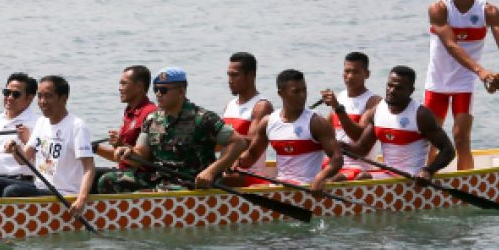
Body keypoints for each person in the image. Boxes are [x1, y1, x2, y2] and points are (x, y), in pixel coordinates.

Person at [426, 0, 499, 170]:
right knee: (430, 139)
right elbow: (451, 45)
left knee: (461, 138)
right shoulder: (439, 9)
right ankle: (426, 179)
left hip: (464, 82)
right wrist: (482, 71)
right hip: (437, 81)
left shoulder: (488, 12)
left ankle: (465, 184)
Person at [101, 67, 247, 192]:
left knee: (164, 191)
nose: (158, 94)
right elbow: (141, 154)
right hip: (158, 179)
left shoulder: (203, 118)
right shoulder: (152, 119)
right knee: (107, 180)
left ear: (181, 91)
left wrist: (211, 171)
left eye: (163, 90)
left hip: (189, 182)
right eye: (156, 89)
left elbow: (238, 143)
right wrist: (128, 151)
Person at [0, 76, 96, 218]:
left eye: (48, 97)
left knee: (12, 192)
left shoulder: (77, 126)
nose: (42, 102)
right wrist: (15, 149)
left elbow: (89, 167)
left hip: (64, 193)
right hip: (40, 186)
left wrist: (81, 200)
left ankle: (9, 225)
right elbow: (24, 159)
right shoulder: (42, 123)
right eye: (40, 97)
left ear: (63, 99)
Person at [344, 65, 455, 182]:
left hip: (412, 178)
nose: (391, 91)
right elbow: (362, 148)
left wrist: (428, 171)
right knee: (341, 177)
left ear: (411, 91)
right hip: (386, 173)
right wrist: (342, 146)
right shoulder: (378, 111)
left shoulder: (421, 115)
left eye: (398, 88)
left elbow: (448, 150)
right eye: (389, 85)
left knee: (363, 177)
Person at [257, 70, 343, 193]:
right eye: (296, 91)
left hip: (309, 187)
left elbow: (337, 158)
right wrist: (235, 163)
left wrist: (321, 177)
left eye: (304, 90)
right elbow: (252, 154)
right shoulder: (268, 121)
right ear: (281, 94)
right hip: (282, 184)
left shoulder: (317, 122)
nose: (302, 95)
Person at [316, 51, 381, 181]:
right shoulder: (341, 96)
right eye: (347, 71)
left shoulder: (374, 101)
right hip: (333, 163)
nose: (350, 76)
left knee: (328, 179)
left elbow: (358, 137)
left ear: (367, 74)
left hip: (357, 167)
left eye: (355, 72)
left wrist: (338, 109)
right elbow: (325, 131)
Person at [92, 65, 156, 192]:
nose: (119, 88)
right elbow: (118, 156)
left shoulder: (150, 113)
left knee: (107, 180)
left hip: (145, 175)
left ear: (139, 86)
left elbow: (141, 160)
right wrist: (93, 148)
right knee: (87, 174)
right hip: (127, 170)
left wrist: (122, 145)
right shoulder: (129, 112)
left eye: (124, 83)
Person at [221, 51, 274, 185]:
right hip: (229, 170)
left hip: (249, 175)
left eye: (235, 75)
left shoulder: (261, 106)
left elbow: (254, 142)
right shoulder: (230, 105)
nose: (230, 80)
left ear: (251, 75)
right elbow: (217, 145)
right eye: (229, 75)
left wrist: (224, 137)